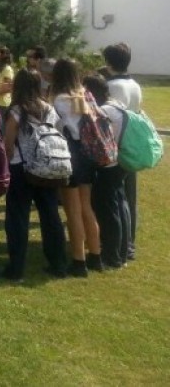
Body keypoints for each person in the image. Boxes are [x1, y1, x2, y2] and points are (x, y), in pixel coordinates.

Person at [0, 68, 68, 281]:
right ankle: (58, 262)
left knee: (18, 218)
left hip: (21, 168)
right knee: (50, 215)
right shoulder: (49, 108)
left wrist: (7, 163)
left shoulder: (17, 111)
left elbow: (8, 143)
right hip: (46, 167)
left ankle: (16, 267)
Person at [51, 58, 103, 276]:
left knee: (72, 210)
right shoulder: (86, 95)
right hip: (88, 154)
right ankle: (95, 256)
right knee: (86, 207)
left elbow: (57, 126)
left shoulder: (61, 100)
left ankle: (78, 260)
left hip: (70, 155)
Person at [82, 74, 131, 269]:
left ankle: (112, 256)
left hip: (107, 165)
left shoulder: (103, 111)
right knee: (119, 205)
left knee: (109, 212)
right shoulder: (118, 105)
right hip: (121, 162)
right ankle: (122, 251)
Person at [102, 42, 142, 261]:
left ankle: (120, 244)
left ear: (109, 62)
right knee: (128, 197)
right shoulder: (135, 84)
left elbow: (111, 117)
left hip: (117, 145)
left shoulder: (115, 86)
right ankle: (128, 243)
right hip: (131, 144)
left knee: (117, 199)